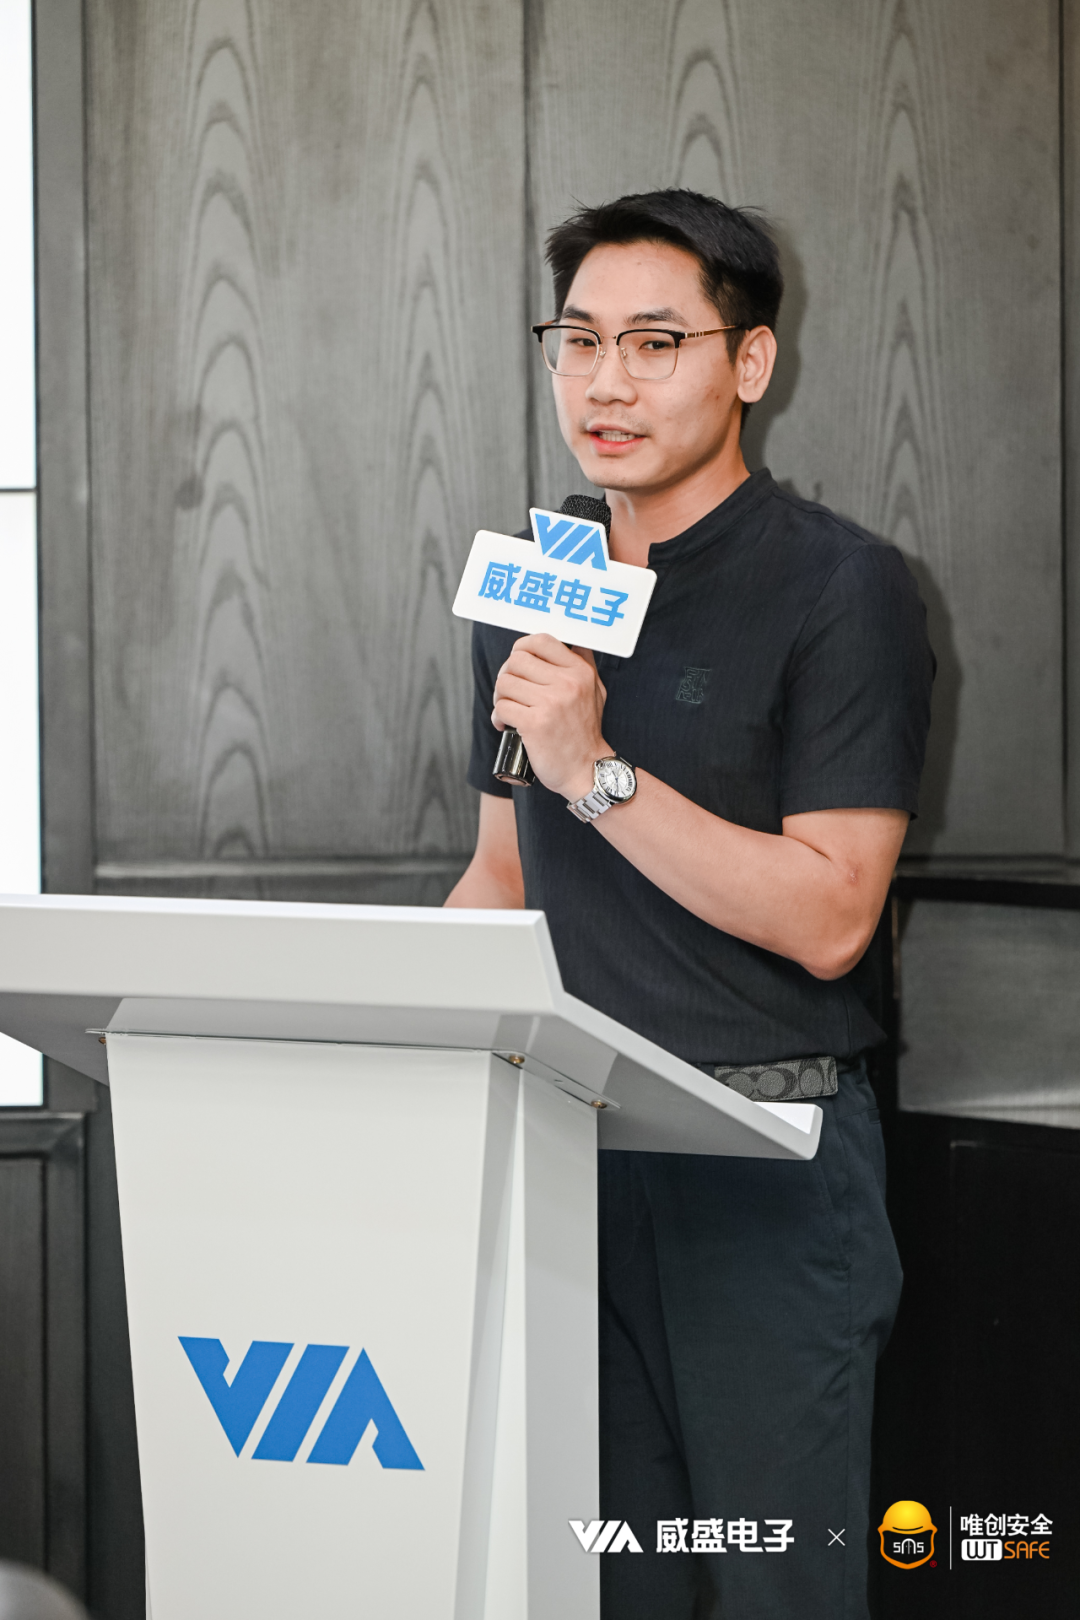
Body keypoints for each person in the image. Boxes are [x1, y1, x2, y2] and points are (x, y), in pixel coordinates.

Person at [446, 188, 933, 1620]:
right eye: (580, 340)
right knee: (600, 1588)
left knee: (780, 1592)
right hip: (564, 1157)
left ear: (751, 362)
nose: (606, 382)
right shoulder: (533, 582)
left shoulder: (844, 588)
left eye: (656, 343)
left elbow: (832, 916)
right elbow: (502, 874)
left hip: (764, 1164)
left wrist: (595, 771)